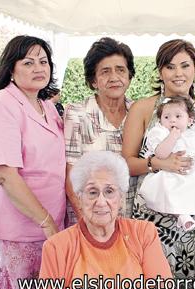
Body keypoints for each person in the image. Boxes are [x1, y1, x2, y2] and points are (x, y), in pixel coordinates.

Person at [122, 39, 195, 289]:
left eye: (185, 65)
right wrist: (159, 165)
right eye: (170, 66)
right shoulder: (143, 109)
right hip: (153, 215)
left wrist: (187, 192)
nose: (178, 73)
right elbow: (128, 163)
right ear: (159, 71)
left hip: (194, 219)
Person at [0, 35, 66, 289]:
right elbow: (5, 174)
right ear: (11, 69)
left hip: (51, 228)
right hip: (18, 232)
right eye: (28, 62)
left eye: (44, 61)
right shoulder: (4, 105)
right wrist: (47, 222)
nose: (39, 68)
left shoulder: (47, 107)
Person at [34, 151, 178, 289]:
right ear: (79, 198)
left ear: (121, 199)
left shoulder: (143, 232)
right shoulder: (57, 247)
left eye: (109, 191)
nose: (101, 202)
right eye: (92, 192)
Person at [64, 37, 136, 226]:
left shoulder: (139, 113)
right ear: (94, 80)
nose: (114, 77)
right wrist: (90, 227)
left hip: (131, 223)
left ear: (129, 76)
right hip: (90, 221)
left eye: (120, 70)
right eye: (105, 71)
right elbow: (70, 177)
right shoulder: (77, 114)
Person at [138, 96, 195, 231]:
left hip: (193, 173)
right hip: (169, 174)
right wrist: (172, 137)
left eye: (178, 116)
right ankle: (182, 215)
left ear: (190, 120)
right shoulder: (160, 133)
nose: (172, 120)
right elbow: (161, 154)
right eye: (166, 117)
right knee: (169, 189)